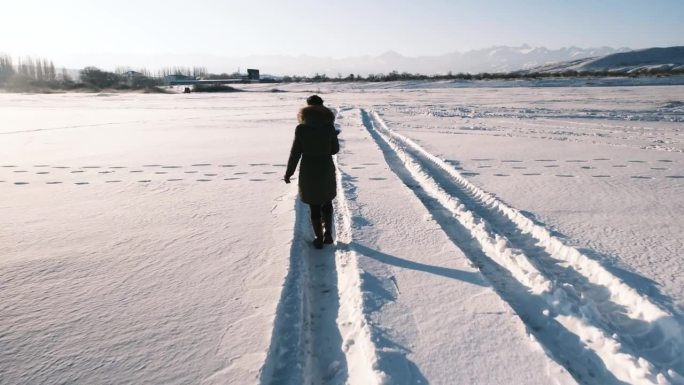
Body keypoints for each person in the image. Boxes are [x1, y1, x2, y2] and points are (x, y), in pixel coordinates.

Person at [284, 98, 340, 249]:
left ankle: (319, 238)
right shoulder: (329, 127)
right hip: (325, 167)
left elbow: (295, 153)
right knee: (327, 201)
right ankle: (328, 234)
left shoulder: (301, 129)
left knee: (314, 205)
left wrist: (288, 173)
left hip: (308, 169)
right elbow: (335, 150)